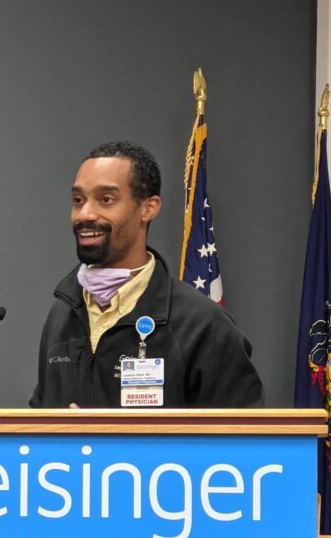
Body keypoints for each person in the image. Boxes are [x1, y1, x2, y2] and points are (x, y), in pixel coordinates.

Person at [30, 141, 264, 409]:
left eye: (106, 200)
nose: (85, 214)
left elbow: (243, 442)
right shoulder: (63, 313)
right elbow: (41, 419)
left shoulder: (202, 324)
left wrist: (117, 443)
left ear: (148, 208)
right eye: (78, 200)